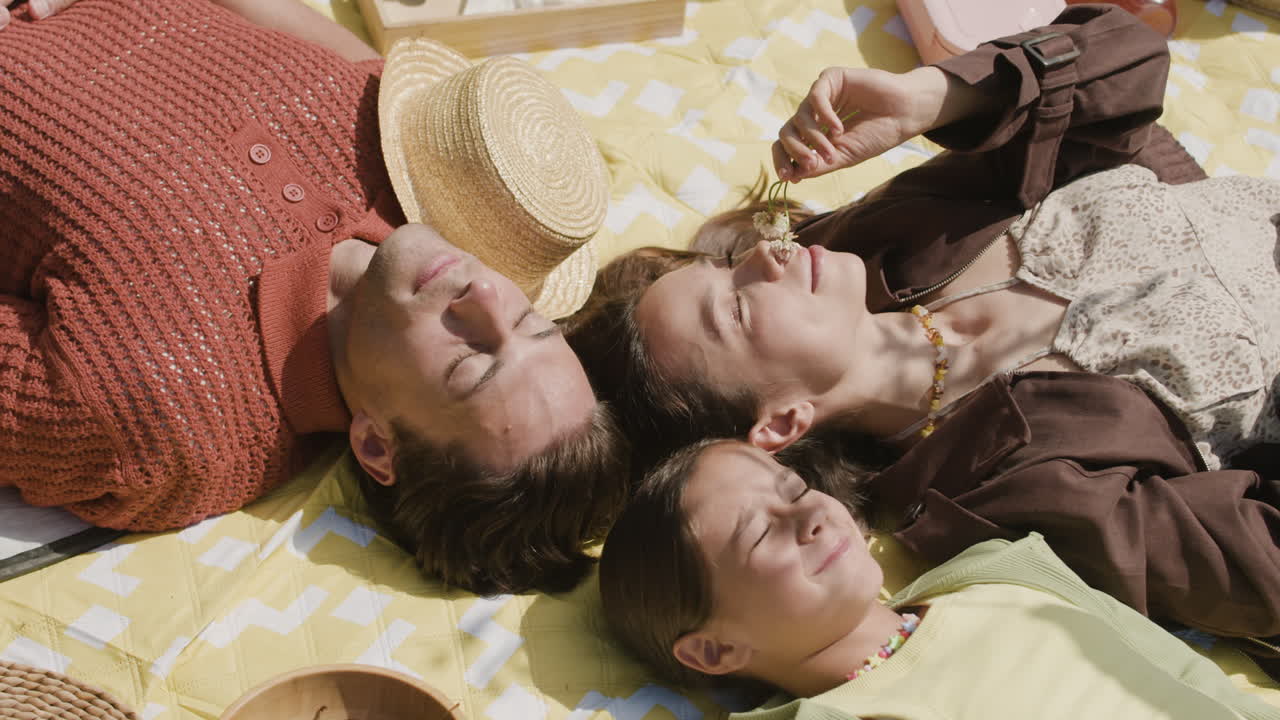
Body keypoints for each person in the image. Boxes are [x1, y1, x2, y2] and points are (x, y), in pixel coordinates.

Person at [568, 2, 1280, 640]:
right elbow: (1260, 568)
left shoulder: (886, 245)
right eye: (737, 305)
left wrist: (934, 96)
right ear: (782, 422)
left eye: (730, 264)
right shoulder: (1002, 482)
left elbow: (1130, 59)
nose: (766, 257)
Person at [0, 0, 626, 595]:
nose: (483, 290)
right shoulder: (437, 169)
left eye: (469, 362)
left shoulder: (161, 426)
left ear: (377, 444)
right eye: (529, 319)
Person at [599, 438, 1280, 720]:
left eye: (795, 486)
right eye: (760, 531)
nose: (807, 509)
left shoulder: (1001, 568)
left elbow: (1187, 676)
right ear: (716, 650)